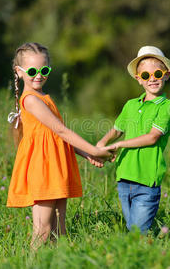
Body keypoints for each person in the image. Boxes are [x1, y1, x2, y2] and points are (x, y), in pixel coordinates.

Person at [6, 42, 112, 249]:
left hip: (55, 167)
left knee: (58, 230)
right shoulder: (31, 100)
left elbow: (57, 137)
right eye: (32, 71)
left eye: (44, 70)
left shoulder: (44, 97)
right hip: (43, 169)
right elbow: (62, 131)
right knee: (43, 230)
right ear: (19, 72)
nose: (39, 75)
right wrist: (94, 149)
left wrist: (86, 154)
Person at [95, 45, 170, 233]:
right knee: (132, 229)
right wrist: (101, 144)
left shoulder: (167, 107)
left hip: (147, 180)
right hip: (124, 176)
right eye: (146, 76)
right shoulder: (131, 105)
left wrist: (120, 144)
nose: (153, 79)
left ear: (166, 74)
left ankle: (142, 259)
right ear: (139, 79)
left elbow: (152, 138)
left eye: (157, 74)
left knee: (137, 233)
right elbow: (117, 129)